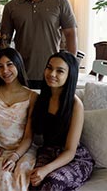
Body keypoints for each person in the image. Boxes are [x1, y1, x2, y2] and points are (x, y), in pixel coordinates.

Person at [0, 0, 78, 89]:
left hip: (53, 73)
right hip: (21, 74)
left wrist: (71, 66)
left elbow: (70, 34)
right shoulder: (11, 6)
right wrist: (5, 70)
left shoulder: (60, 1)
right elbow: (5, 41)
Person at [30, 51, 94, 190]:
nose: (52, 74)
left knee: (53, 182)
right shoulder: (40, 100)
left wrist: (46, 169)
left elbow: (70, 151)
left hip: (74, 157)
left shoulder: (75, 105)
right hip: (48, 152)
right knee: (33, 181)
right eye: (49, 68)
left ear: (69, 75)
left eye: (60, 71)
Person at [0, 48, 38, 191]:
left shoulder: (32, 96)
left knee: (21, 173)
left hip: (23, 150)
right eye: (0, 66)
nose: (5, 70)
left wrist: (15, 156)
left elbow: (29, 136)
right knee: (3, 175)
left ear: (18, 65)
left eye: (10, 64)